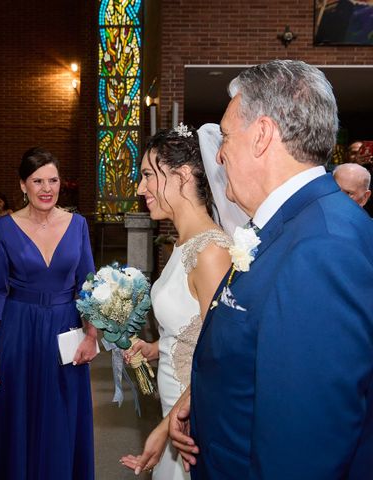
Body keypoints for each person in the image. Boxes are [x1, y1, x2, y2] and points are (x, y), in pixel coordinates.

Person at [170, 60, 373, 479]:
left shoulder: (323, 248)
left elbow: (304, 446)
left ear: (261, 135)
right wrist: (206, 396)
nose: (220, 152)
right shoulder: (288, 224)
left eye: (226, 135)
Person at [119, 124, 246, 478]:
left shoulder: (211, 251)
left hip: (194, 413)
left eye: (148, 175)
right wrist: (157, 347)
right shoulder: (182, 243)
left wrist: (167, 426)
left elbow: (222, 353)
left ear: (183, 175)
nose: (141, 188)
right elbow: (199, 327)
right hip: (174, 403)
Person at [0, 147, 99, 479]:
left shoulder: (78, 224)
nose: (46, 188)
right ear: (23, 185)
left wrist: (92, 335)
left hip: (66, 327)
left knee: (61, 413)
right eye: (37, 181)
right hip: (18, 329)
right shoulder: (6, 228)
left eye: (53, 180)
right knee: (17, 414)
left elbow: (88, 284)